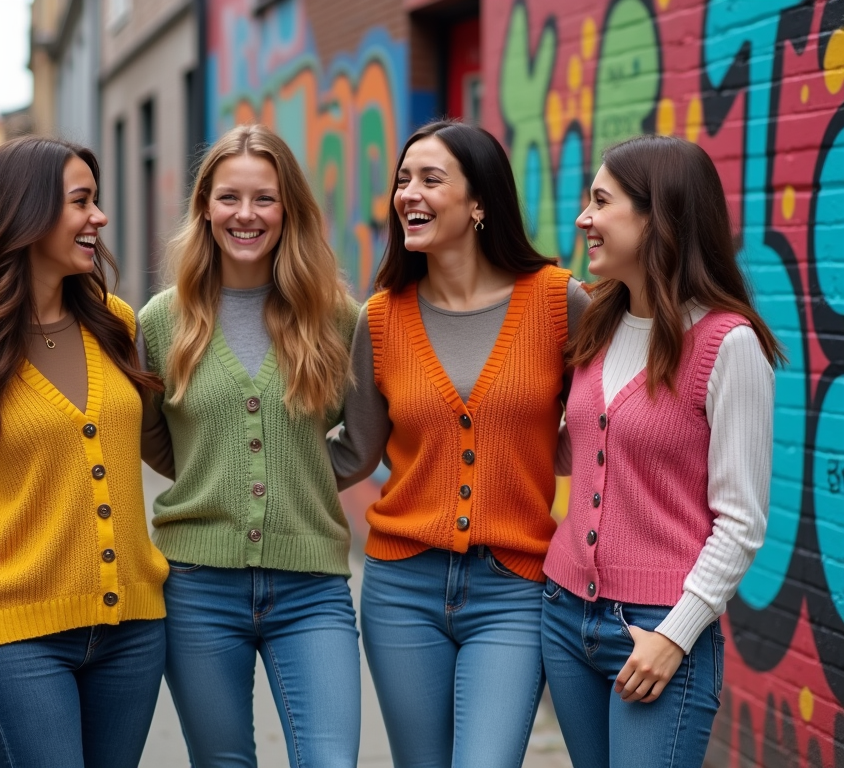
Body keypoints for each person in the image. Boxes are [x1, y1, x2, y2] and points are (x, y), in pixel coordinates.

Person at [0, 136, 170, 768]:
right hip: (20, 639)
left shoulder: (118, 324)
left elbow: (163, 445)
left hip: (134, 630)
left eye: (96, 201)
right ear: (26, 213)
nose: (98, 218)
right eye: (81, 202)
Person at [328, 119, 590, 767]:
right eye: (402, 180)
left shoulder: (559, 302)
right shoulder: (382, 318)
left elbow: (603, 422)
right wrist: (241, 459)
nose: (408, 193)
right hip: (400, 589)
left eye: (430, 179)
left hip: (515, 587)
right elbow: (356, 450)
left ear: (479, 202)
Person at [540, 135, 781, 768]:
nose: (583, 219)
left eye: (601, 201)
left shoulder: (729, 346)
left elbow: (742, 523)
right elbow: (578, 454)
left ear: (658, 217)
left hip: (658, 628)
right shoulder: (598, 319)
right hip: (564, 614)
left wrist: (675, 637)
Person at [138, 123, 361, 768]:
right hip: (197, 587)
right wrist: (211, 476)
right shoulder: (162, 320)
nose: (246, 214)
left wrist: (301, 476)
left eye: (264, 198)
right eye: (229, 197)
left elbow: (364, 437)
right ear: (205, 206)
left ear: (287, 207)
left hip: (311, 587)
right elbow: (155, 434)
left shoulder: (335, 316)